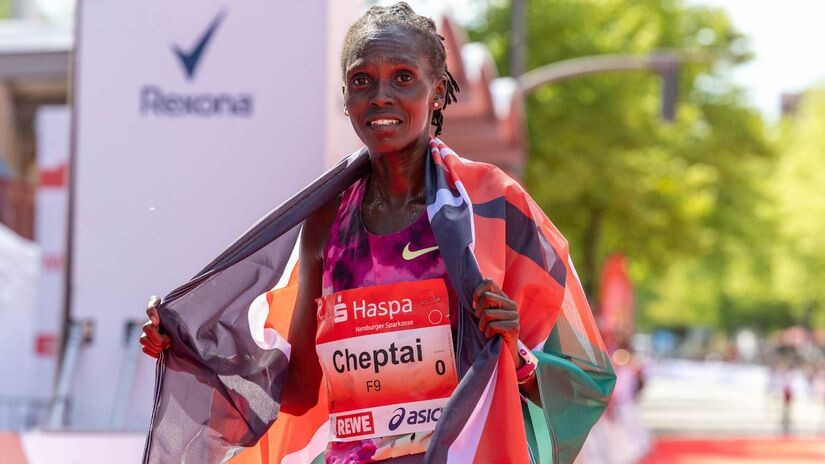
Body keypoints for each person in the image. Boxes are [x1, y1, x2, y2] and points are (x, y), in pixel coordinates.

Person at [141, 3, 613, 463]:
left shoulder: (491, 203)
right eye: (361, 80)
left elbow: (584, 383)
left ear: (438, 91)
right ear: (346, 97)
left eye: (403, 77)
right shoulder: (326, 218)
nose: (380, 95)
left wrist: (516, 353)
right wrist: (190, 350)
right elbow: (301, 391)